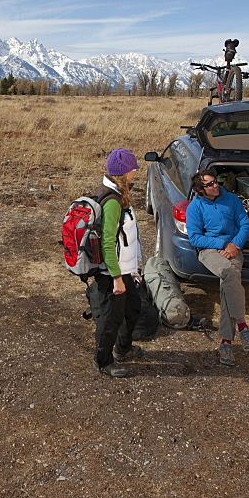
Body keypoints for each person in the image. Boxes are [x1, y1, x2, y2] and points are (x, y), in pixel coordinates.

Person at [185, 168, 249, 366]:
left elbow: (244, 225)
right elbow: (195, 238)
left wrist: (234, 245)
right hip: (209, 250)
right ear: (200, 189)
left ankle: (226, 343)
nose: (215, 186)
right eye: (209, 184)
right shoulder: (195, 207)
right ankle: (242, 325)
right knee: (228, 272)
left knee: (229, 281)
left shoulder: (231, 199)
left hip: (233, 249)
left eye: (215, 182)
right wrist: (222, 245)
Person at [88, 148, 145, 378]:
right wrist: (116, 278)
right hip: (112, 273)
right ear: (125, 173)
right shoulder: (112, 202)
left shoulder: (118, 193)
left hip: (125, 269)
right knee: (110, 319)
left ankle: (123, 348)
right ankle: (102, 362)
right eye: (133, 169)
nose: (135, 173)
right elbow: (108, 244)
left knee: (132, 309)